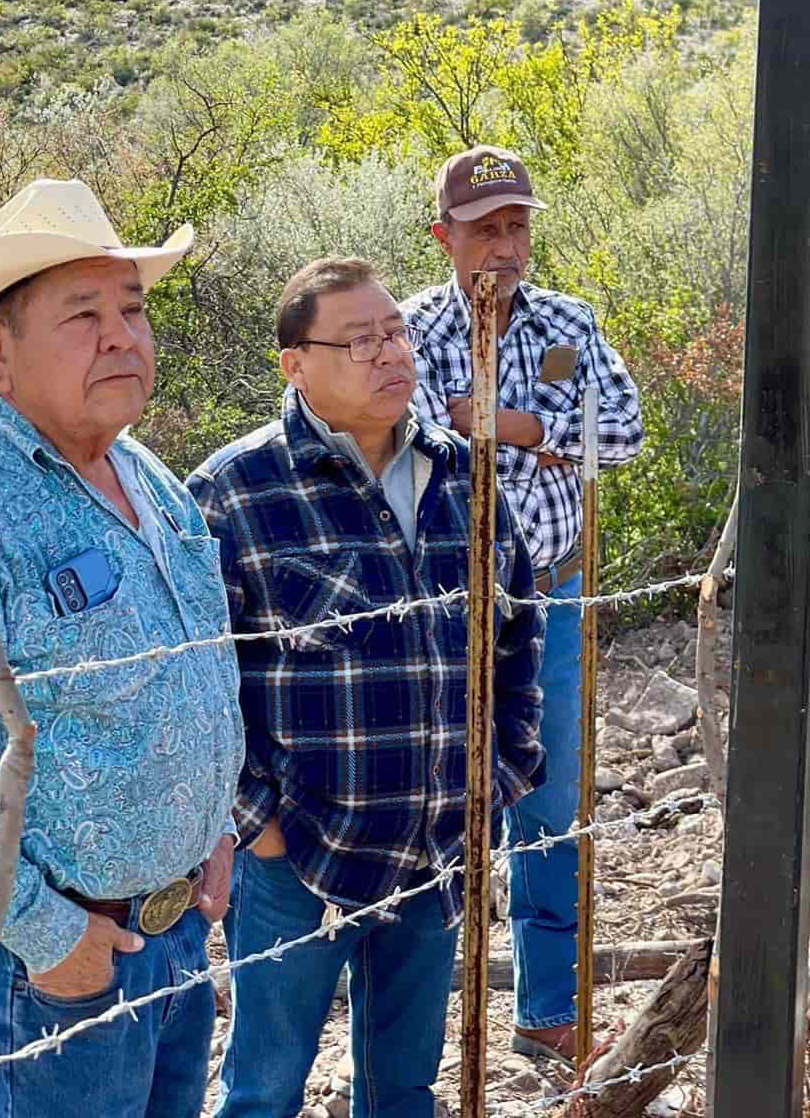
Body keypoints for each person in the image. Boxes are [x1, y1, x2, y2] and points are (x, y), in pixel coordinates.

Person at [0, 179, 244, 1118]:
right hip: (54, 971)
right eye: (83, 313)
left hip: (177, 930)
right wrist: (46, 932)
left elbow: (195, 666)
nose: (122, 335)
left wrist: (212, 825)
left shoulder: (141, 470)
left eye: (132, 308)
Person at [188, 256, 546, 1118]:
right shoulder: (234, 493)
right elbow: (201, 683)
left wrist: (501, 776)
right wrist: (257, 824)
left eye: (395, 332)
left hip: (436, 850)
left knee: (407, 1089)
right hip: (299, 856)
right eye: (358, 340)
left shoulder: (468, 474)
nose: (391, 354)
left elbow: (520, 633)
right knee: (264, 1090)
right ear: (295, 364)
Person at [401, 145, 644, 1065]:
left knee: (551, 797)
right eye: (484, 229)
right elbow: (421, 446)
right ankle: (426, 1016)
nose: (504, 246)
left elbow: (619, 435)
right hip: (448, 605)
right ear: (444, 237)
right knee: (446, 797)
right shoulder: (410, 331)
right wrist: (542, 441)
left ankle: (549, 1012)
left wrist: (503, 422)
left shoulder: (569, 324)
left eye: (517, 225)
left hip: (553, 589)